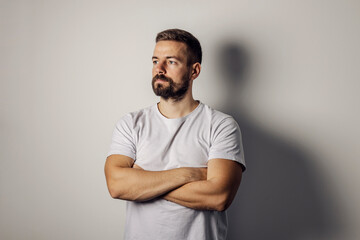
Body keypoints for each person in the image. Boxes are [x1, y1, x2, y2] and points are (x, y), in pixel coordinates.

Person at [104, 28, 246, 240]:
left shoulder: (221, 126)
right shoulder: (131, 124)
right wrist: (190, 174)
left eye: (171, 62)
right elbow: (116, 185)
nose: (159, 69)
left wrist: (142, 182)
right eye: (155, 61)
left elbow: (219, 196)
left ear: (194, 70)